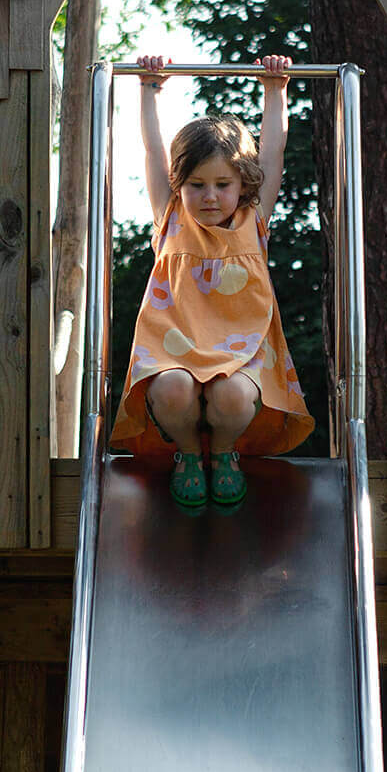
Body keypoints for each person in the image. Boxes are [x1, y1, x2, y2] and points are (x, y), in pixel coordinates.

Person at [108, 54, 314, 511]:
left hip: (240, 352)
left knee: (233, 397)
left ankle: (222, 453)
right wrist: (149, 89)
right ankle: (187, 452)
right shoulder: (171, 220)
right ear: (179, 185)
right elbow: (153, 151)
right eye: (196, 184)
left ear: (243, 184)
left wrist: (275, 90)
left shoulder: (253, 221)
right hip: (174, 345)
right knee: (172, 389)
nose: (210, 196)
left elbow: (273, 152)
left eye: (223, 184)